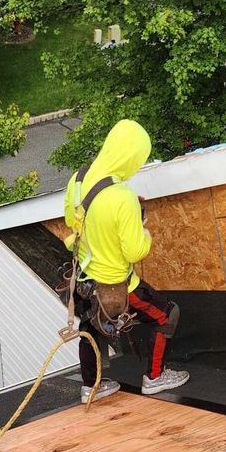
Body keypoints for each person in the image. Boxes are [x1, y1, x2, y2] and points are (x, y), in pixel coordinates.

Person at [63, 119, 189, 403]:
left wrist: (123, 214)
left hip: (85, 280)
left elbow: (74, 221)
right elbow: (135, 252)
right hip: (117, 286)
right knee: (167, 315)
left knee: (91, 326)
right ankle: (155, 378)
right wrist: (141, 223)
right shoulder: (122, 196)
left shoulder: (78, 179)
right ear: (131, 157)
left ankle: (90, 388)